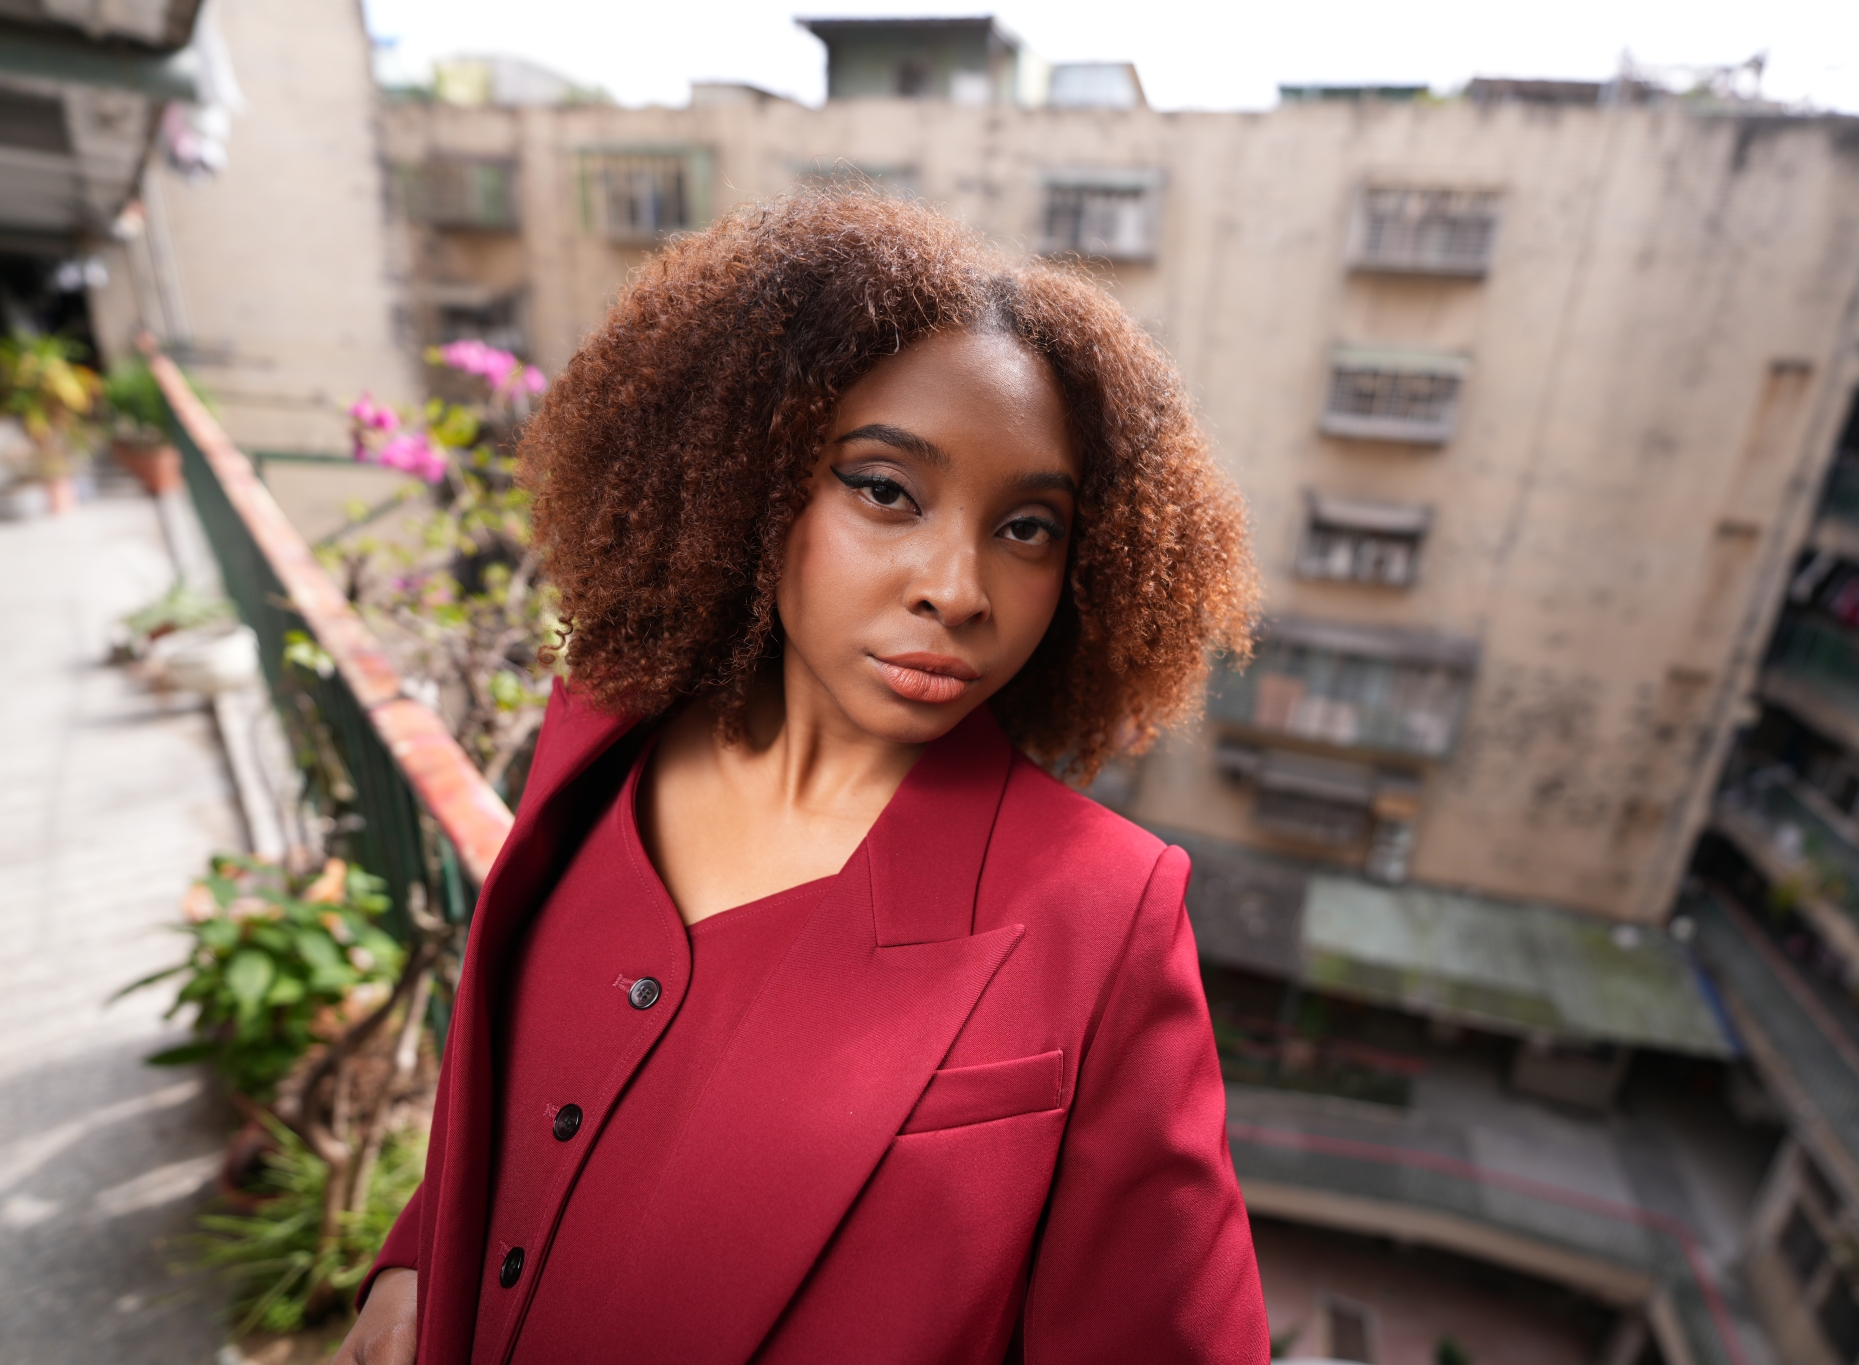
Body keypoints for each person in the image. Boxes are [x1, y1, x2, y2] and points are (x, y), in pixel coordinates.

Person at [332, 190, 1268, 1365]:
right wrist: (419, 1260)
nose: (958, 587)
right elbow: (522, 1081)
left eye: (1027, 527)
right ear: (752, 481)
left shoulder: (1103, 912)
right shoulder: (601, 723)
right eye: (885, 490)